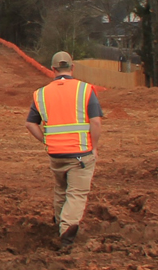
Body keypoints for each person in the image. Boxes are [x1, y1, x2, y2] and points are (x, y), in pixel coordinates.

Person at [23, 51, 104, 251]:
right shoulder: (85, 90)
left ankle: (60, 223)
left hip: (55, 154)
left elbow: (30, 124)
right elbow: (95, 121)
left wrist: (47, 140)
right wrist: (93, 147)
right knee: (76, 193)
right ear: (72, 68)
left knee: (61, 190)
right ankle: (67, 233)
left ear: (53, 70)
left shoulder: (41, 93)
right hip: (80, 153)